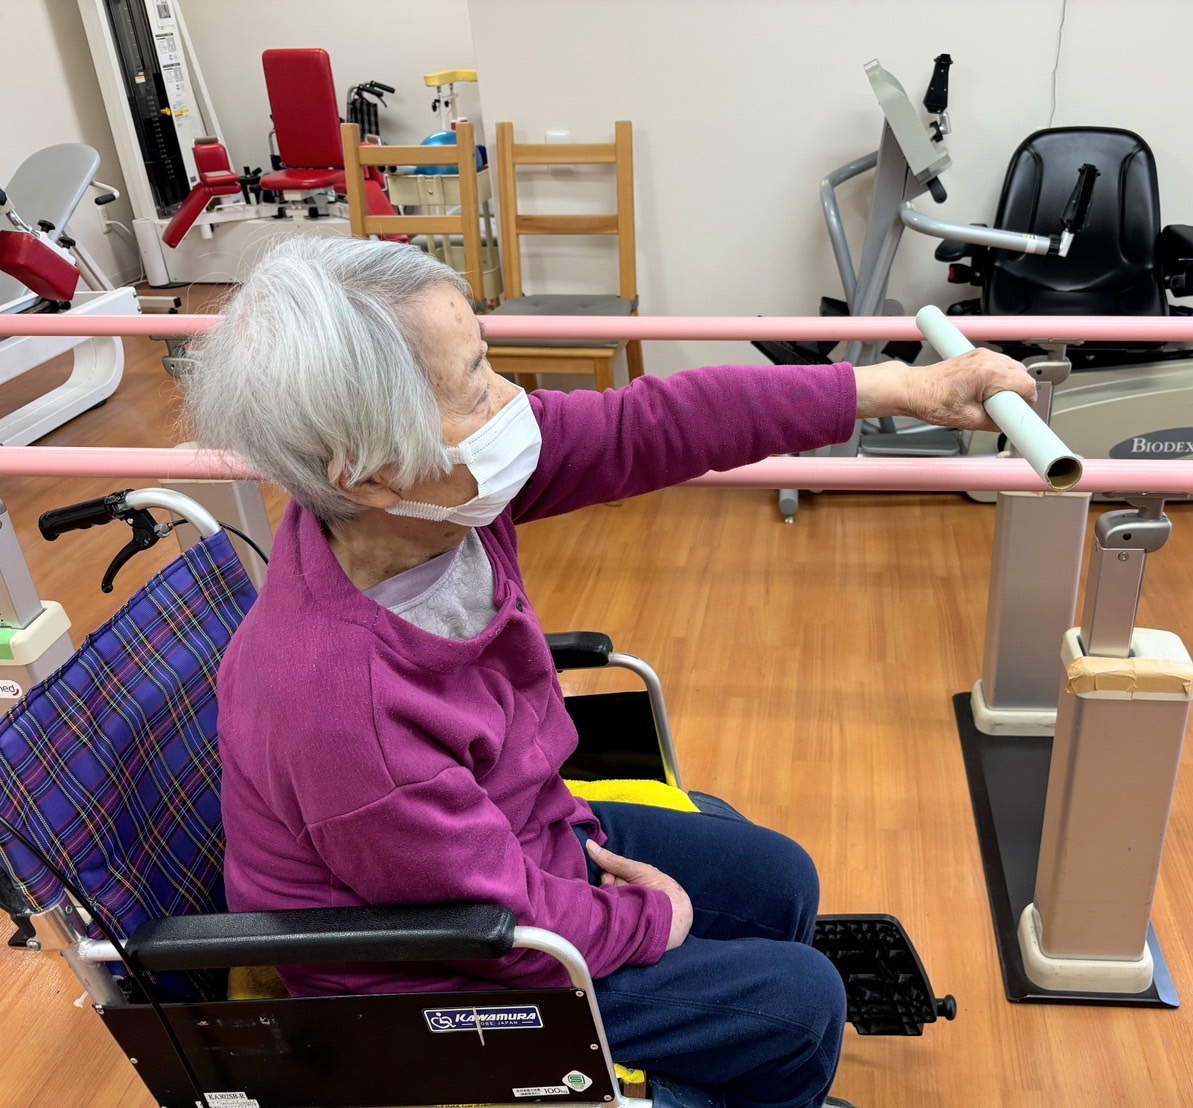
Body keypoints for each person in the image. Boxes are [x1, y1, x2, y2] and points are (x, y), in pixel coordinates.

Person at [182, 237, 1036, 1108]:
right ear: (365, 471)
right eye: (474, 386)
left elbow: (654, 424)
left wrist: (893, 388)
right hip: (436, 977)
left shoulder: (425, 503)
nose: (516, 402)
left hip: (509, 846)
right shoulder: (340, 707)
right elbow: (496, 926)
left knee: (778, 881)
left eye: (488, 362)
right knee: (801, 1007)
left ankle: (728, 1071)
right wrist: (652, 918)